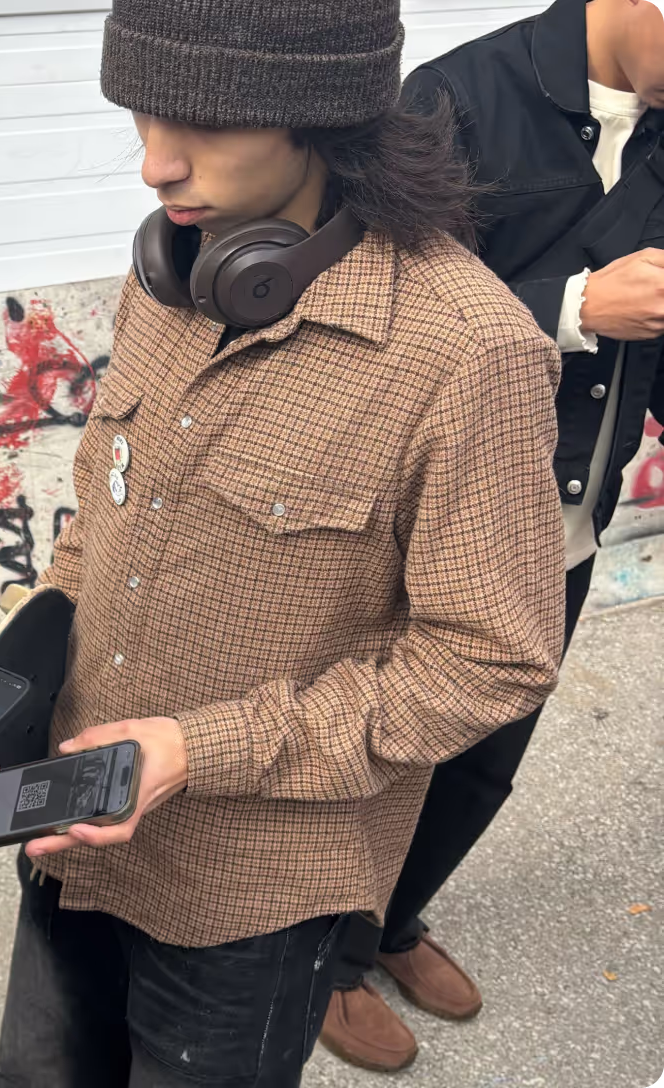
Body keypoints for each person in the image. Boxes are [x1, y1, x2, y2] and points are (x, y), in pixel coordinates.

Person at [0, 3, 570, 1086]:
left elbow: (489, 657)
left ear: (321, 116)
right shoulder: (169, 274)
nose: (155, 166)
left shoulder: (467, 352)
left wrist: (200, 748)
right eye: (141, 118)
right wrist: (1, 692)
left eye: (201, 126)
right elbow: (97, 530)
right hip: (73, 827)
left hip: (250, 901)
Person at [319, 0, 664, 1071]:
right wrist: (571, 307)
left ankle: (389, 918)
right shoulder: (452, 99)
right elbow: (362, 314)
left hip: (565, 516)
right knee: (379, 753)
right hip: (429, 524)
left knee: (481, 763)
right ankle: (321, 962)